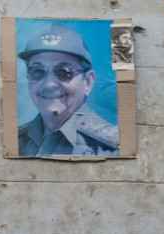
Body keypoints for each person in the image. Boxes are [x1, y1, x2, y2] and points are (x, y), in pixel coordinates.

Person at [17, 23, 119, 157]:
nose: (49, 84)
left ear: (88, 82)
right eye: (37, 72)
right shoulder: (16, 140)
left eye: (64, 72)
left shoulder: (113, 149)